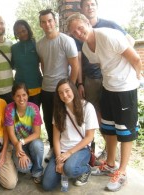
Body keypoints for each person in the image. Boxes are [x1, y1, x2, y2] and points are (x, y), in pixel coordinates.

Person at [67, 13, 141, 192]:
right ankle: (109, 164)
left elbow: (136, 59)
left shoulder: (108, 35)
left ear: (87, 23)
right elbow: (104, 64)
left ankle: (122, 172)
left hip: (125, 89)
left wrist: (136, 80)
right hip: (108, 88)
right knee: (109, 128)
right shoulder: (85, 48)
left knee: (126, 132)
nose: (78, 32)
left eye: (80, 27)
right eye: (74, 32)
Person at [76, 0, 135, 164]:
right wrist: (80, 83)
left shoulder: (109, 25)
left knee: (121, 121)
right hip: (93, 80)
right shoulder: (77, 30)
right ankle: (104, 152)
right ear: (81, 9)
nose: (90, 7)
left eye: (92, 4)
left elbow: (129, 41)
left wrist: (121, 66)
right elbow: (79, 59)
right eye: (86, 5)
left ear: (96, 7)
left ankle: (113, 157)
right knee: (100, 117)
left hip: (117, 81)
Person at [36, 9, 79, 162]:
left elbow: (75, 66)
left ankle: (68, 149)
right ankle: (54, 149)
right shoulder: (40, 44)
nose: (47, 24)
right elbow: (42, 65)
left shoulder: (66, 40)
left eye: (50, 20)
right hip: (46, 88)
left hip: (63, 90)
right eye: (43, 21)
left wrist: (70, 88)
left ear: (55, 21)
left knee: (65, 119)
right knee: (48, 120)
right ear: (40, 24)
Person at [42, 78, 98, 191]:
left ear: (73, 90)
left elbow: (89, 137)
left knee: (70, 168)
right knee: (47, 185)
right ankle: (65, 170)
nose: (65, 95)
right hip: (61, 151)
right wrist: (58, 160)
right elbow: (56, 139)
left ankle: (85, 169)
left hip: (80, 149)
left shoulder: (87, 107)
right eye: (61, 93)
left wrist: (69, 153)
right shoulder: (58, 110)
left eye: (67, 90)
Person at [5, 83, 44, 184]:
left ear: (28, 95)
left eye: (24, 95)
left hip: (30, 141)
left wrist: (21, 143)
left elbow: (37, 133)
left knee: (37, 145)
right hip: (15, 143)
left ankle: (37, 171)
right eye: (18, 95)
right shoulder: (9, 109)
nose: (21, 98)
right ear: (13, 97)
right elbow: (11, 134)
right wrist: (18, 147)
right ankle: (27, 160)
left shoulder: (34, 108)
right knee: (25, 168)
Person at [11, 20, 42, 108]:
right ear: (15, 34)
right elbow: (12, 65)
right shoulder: (13, 48)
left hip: (36, 86)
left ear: (28, 29)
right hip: (20, 89)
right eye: (18, 32)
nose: (22, 34)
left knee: (34, 116)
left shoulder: (37, 45)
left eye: (23, 31)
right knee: (21, 117)